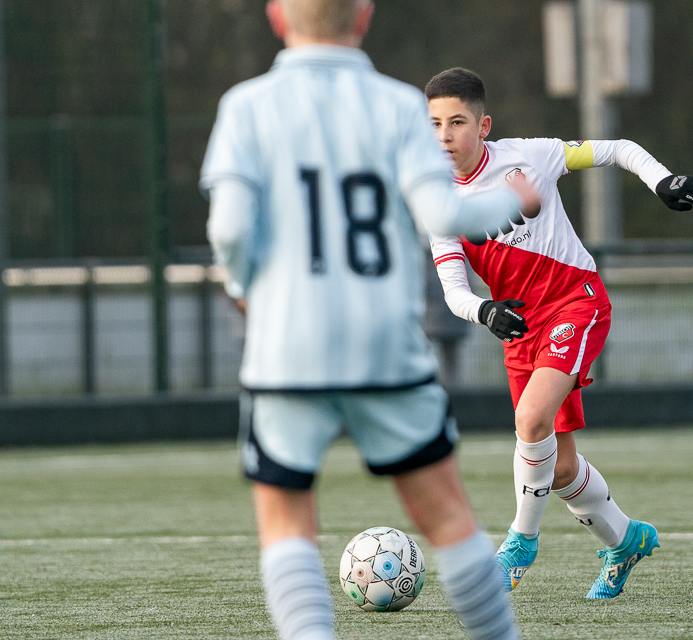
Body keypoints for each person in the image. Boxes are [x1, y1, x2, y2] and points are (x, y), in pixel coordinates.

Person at [200, 3, 541, 640]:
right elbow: (443, 209)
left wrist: (246, 287)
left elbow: (229, 228)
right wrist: (511, 197)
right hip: (385, 345)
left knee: (286, 523)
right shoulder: (396, 107)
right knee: (448, 519)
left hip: (286, 348)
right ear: (363, 16)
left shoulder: (247, 106)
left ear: (277, 17)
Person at [423, 67, 693, 599]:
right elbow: (453, 290)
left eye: (457, 122)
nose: (444, 135)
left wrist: (663, 180)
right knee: (559, 468)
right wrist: (484, 312)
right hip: (521, 327)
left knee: (530, 419)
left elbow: (619, 148)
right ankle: (626, 541)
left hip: (575, 302)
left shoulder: (530, 156)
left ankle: (520, 541)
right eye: (435, 123)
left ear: (483, 126)